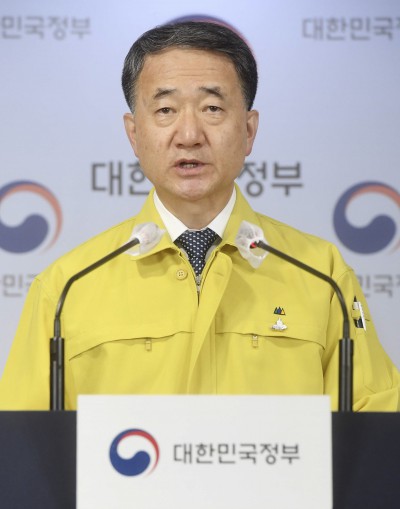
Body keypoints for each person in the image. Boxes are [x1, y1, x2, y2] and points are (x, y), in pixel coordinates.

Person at [0, 21, 398, 411]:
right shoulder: (68, 285)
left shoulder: (320, 273)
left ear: (248, 130)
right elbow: (25, 440)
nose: (189, 135)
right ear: (134, 134)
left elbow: (373, 423)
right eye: (165, 109)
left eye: (212, 108)